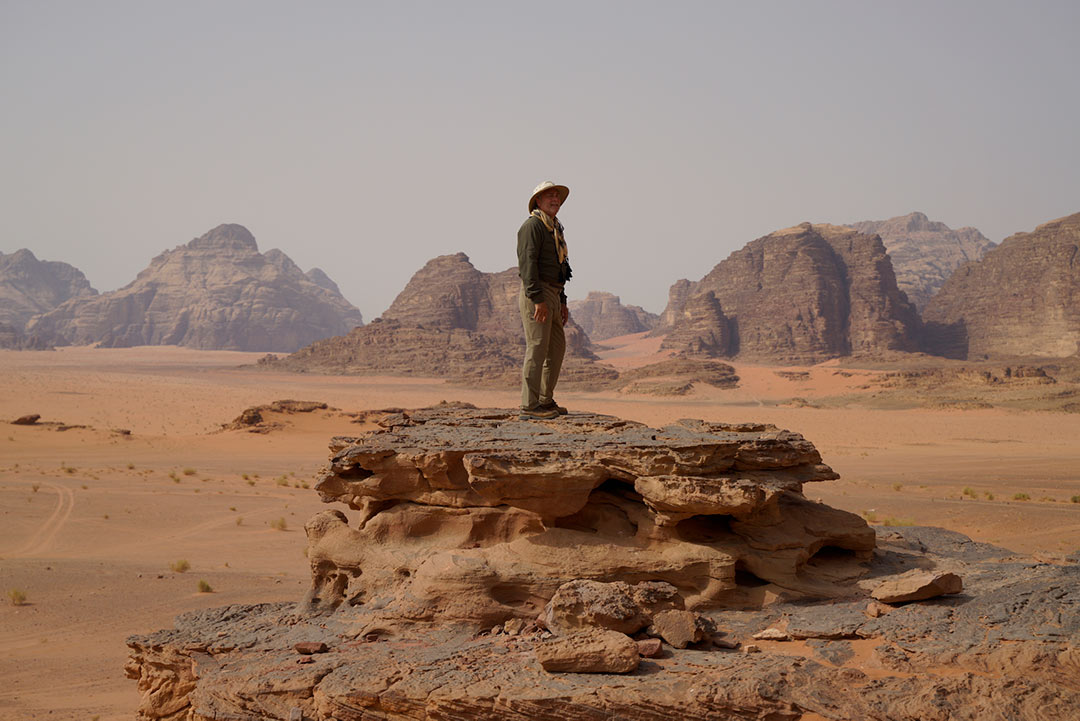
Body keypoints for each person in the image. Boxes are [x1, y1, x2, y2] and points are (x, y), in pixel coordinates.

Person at [517, 180, 573, 420]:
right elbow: (527, 263)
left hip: (553, 292)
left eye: (557, 196)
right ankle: (529, 406)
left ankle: (545, 400)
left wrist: (562, 300)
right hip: (537, 293)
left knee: (557, 349)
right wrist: (537, 298)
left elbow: (560, 266)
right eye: (549, 196)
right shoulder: (533, 227)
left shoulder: (555, 228)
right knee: (537, 348)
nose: (555, 199)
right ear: (537, 201)